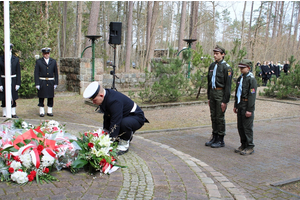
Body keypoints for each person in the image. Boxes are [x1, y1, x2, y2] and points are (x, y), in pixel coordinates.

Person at [83, 82, 149, 155]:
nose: (93, 103)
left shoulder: (114, 101)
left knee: (123, 124)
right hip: (125, 116)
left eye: (94, 100)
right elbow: (107, 116)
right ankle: (125, 135)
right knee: (118, 124)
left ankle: (124, 143)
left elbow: (115, 122)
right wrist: (105, 132)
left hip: (136, 117)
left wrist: (109, 141)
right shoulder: (105, 97)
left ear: (101, 95)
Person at [205, 45, 233, 148]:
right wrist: (209, 97)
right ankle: (214, 136)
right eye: (214, 53)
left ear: (223, 54)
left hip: (220, 93)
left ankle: (221, 139)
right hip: (213, 93)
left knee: (220, 117)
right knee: (213, 116)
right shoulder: (212, 66)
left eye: (217, 54)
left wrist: (225, 101)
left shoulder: (227, 68)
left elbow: (228, 86)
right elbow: (209, 82)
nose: (215, 55)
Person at [233, 59, 257, 155]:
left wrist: (250, 109)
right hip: (240, 104)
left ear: (248, 68)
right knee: (240, 127)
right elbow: (237, 92)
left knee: (247, 127)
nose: (241, 69)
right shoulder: (240, 78)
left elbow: (252, 96)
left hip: (247, 105)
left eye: (243, 68)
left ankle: (250, 146)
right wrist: (236, 105)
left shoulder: (251, 79)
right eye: (240, 67)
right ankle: (243, 144)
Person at [34, 47, 58, 117]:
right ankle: (41, 111)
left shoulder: (53, 61)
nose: (46, 55)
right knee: (41, 97)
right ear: (43, 54)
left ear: (49, 53)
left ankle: (49, 111)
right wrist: (37, 83)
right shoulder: (39, 62)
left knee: (50, 97)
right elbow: (36, 73)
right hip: (42, 81)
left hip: (50, 81)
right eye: (45, 54)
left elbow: (56, 73)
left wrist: (56, 82)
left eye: (47, 53)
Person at [0, 43, 21, 118]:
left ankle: (13, 113)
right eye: (5, 48)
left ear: (11, 49)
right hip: (3, 79)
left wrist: (18, 83)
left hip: (13, 79)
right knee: (4, 97)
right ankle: (5, 113)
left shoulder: (15, 59)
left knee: (13, 96)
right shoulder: (1, 59)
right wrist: (0, 84)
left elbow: (18, 72)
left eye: (8, 48)